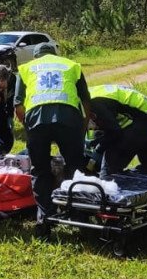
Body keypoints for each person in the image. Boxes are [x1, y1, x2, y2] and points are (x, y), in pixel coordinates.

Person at [15, 42, 91, 239]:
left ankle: (44, 220)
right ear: (55, 54)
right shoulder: (71, 65)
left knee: (40, 170)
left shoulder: (26, 68)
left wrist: (29, 127)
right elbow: (86, 100)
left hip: (37, 120)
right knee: (75, 166)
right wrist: (82, 127)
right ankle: (80, 216)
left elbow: (18, 105)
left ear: (36, 56)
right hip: (68, 118)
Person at [87, 83, 147, 175]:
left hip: (145, 118)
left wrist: (99, 148)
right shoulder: (90, 95)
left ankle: (111, 183)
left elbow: (115, 131)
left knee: (111, 163)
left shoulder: (95, 104)